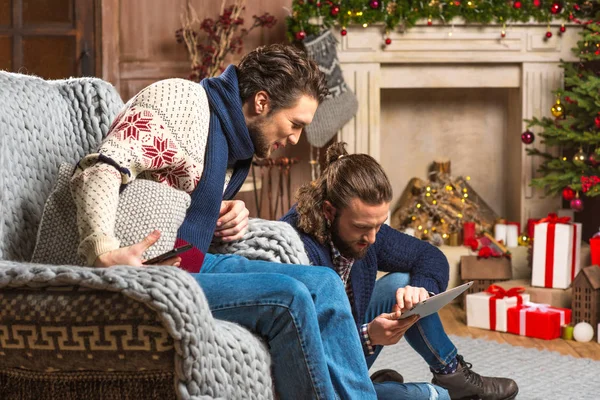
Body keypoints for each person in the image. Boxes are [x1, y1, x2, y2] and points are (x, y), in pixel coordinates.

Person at [70, 44, 378, 399]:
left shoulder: (233, 137)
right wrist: (102, 252)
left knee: (325, 284)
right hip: (151, 274)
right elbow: (100, 169)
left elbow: (174, 185)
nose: (295, 139)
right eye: (294, 124)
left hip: (191, 259)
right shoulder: (181, 103)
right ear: (261, 102)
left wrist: (219, 208)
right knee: (288, 298)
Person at [280, 142, 519, 400]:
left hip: (349, 347)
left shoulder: (366, 229)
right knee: (433, 396)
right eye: (362, 227)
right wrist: (368, 335)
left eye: (379, 225)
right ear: (329, 211)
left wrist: (420, 290)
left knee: (405, 285)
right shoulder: (294, 249)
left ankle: (453, 374)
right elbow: (304, 349)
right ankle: (373, 388)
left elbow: (429, 256)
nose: (372, 238)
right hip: (310, 377)